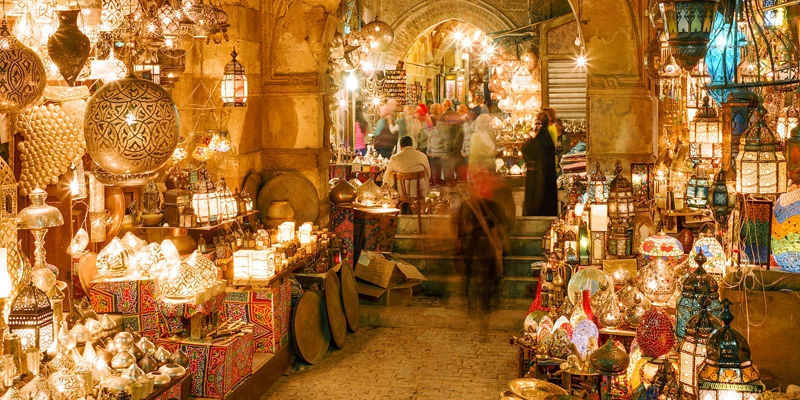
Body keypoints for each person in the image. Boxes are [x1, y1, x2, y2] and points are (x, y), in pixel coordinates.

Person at [522, 111, 558, 216]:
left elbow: (527, 150)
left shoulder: (540, 139)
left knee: (538, 200)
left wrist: (529, 139)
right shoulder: (545, 138)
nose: (535, 126)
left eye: (538, 123)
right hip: (542, 174)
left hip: (539, 176)